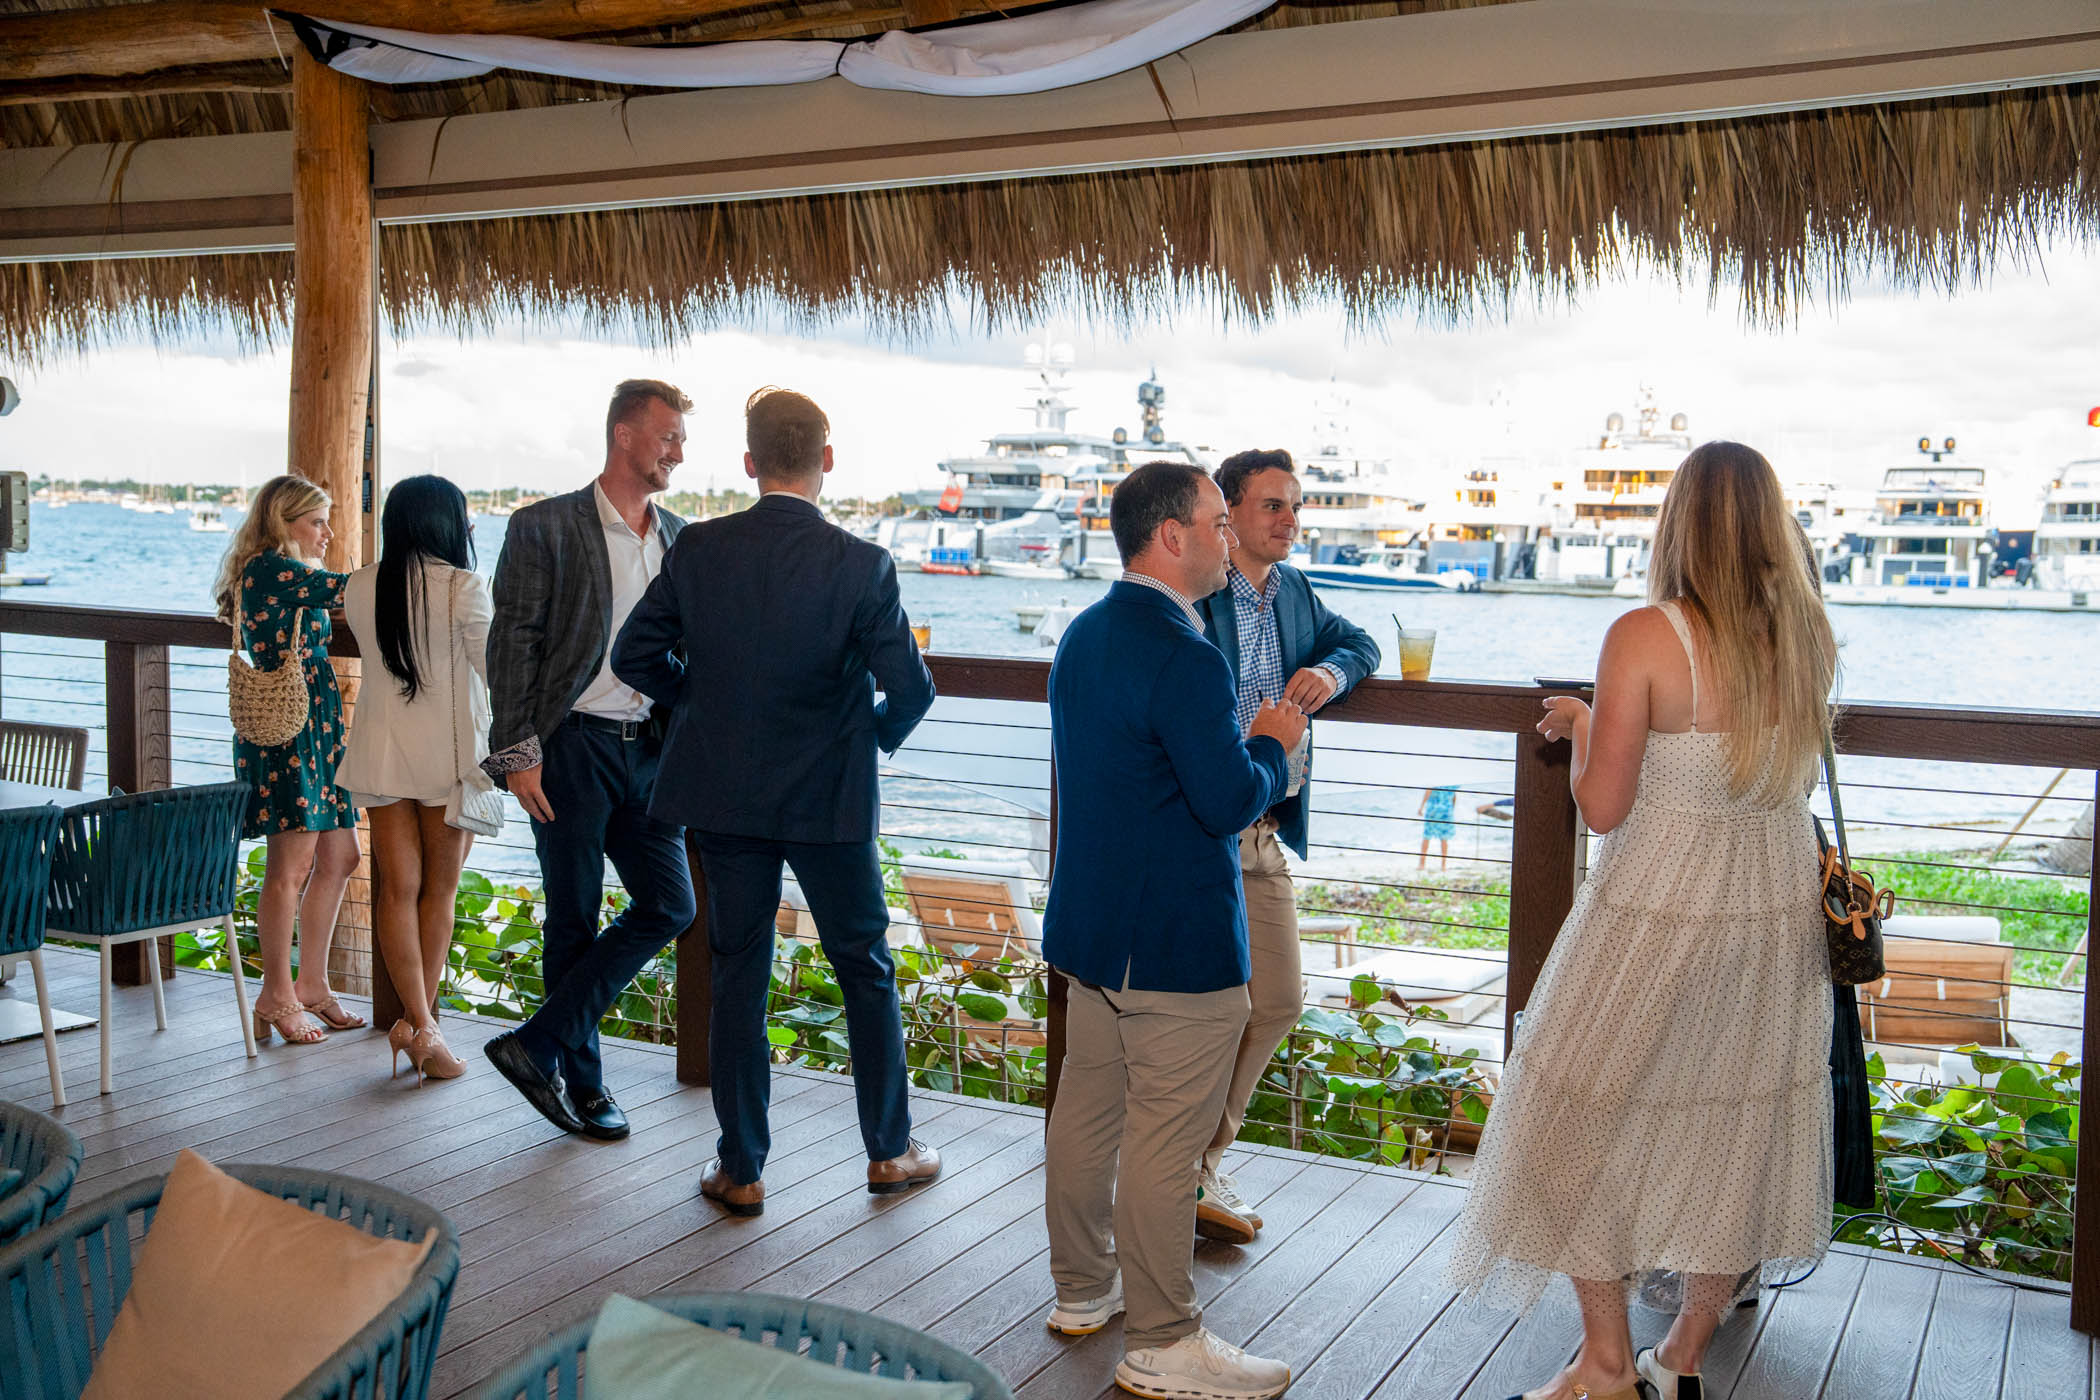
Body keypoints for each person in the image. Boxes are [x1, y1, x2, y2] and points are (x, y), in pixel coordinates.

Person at [1443, 441, 1838, 1400]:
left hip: (1658, 917)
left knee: (1569, 1118)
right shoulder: (1807, 637)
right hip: (1771, 920)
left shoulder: (1646, 636)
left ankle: (1608, 1361)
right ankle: (1682, 1358)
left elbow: (1606, 807)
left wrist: (1585, 726)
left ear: (1679, 525)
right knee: (1738, 1132)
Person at [613, 386, 939, 1216]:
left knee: (738, 972)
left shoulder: (699, 548)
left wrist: (699, 703)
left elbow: (634, 654)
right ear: (826, 460)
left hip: (725, 795)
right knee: (864, 968)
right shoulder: (863, 564)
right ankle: (890, 1151)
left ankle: (742, 1168)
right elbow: (911, 689)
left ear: (750, 462)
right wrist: (863, 737)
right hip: (830, 798)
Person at [1041, 460, 1306, 1400]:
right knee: (1164, 1142)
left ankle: (1083, 1288)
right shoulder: (1187, 656)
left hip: (1092, 928)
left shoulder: (1085, 633)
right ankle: (1162, 1339)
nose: (1228, 539)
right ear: (1172, 536)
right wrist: (1274, 742)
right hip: (1174, 942)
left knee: (1086, 1113)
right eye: (1216, 522)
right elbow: (1227, 800)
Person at [479, 379, 696, 1141]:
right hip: (568, 747)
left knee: (670, 905)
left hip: (649, 753)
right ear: (624, 435)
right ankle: (587, 1087)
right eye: (668, 436)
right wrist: (518, 753)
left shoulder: (681, 537)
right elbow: (512, 645)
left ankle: (536, 1045)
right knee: (571, 918)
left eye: (680, 439)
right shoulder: (543, 526)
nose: (678, 453)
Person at [1190, 447, 1380, 1244]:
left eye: (1296, 505)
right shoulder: (1196, 592)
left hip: (1265, 828)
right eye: (1273, 505)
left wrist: (1330, 676)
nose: (1290, 520)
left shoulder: (1293, 591)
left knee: (1276, 1002)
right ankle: (1182, 1171)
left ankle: (1197, 1163)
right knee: (1205, 1011)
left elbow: (1359, 643)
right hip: (1199, 832)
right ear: (1227, 513)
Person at [338, 475, 493, 1084]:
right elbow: (493, 671)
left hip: (380, 751)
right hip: (447, 759)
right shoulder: (464, 586)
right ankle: (423, 1028)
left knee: (397, 890)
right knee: (440, 892)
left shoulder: (361, 585)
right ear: (447, 522)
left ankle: (417, 1023)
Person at [213, 474, 363, 1047]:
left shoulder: (289, 572)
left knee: (341, 855)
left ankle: (313, 984)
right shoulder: (270, 569)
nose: (328, 533)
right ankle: (275, 994)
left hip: (317, 726)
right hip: (288, 727)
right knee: (290, 867)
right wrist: (413, 564)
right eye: (317, 522)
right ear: (284, 522)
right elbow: (347, 589)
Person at [1417, 784, 1457, 869]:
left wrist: (1421, 807)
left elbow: (1428, 791)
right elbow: (1454, 796)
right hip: (1446, 810)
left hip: (1433, 809)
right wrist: (1452, 810)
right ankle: (1443, 866)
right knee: (1444, 838)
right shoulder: (1452, 781)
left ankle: (1422, 864)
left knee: (1427, 836)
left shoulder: (1435, 780)